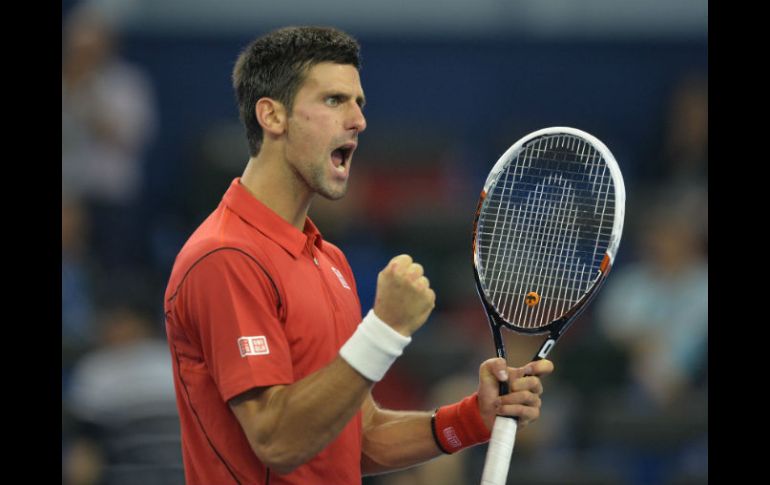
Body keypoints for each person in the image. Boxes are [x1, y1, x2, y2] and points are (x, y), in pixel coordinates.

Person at [164, 26, 553, 485]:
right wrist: (384, 329)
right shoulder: (225, 256)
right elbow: (278, 441)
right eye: (334, 100)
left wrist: (472, 419)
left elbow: (358, 438)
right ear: (272, 115)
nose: (358, 120)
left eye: (359, 103)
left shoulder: (329, 260)